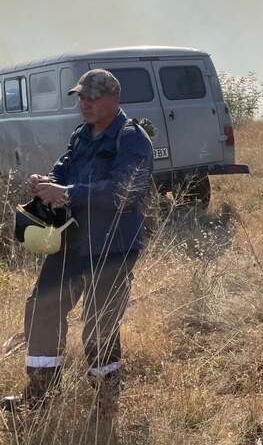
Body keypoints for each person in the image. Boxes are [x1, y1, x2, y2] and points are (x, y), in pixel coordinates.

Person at [2, 69, 153, 415]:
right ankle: (40, 396)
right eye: (81, 97)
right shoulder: (81, 135)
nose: (84, 103)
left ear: (114, 99)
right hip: (71, 243)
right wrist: (47, 183)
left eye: (92, 97)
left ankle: (106, 402)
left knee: (99, 324)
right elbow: (63, 170)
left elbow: (122, 194)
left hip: (112, 248)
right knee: (42, 306)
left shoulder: (132, 138)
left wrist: (67, 193)